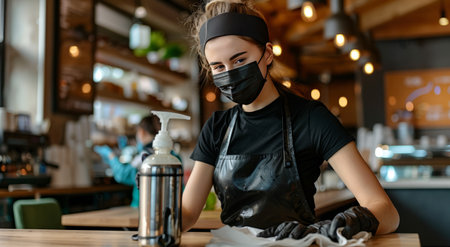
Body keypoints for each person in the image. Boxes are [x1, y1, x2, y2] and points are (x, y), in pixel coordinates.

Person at [182, 0, 399, 241]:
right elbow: (189, 212)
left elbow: (387, 212)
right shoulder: (217, 128)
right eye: (218, 67)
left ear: (267, 53)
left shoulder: (311, 119)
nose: (230, 73)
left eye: (240, 60)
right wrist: (157, 206)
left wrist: (347, 224)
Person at [95, 115, 181, 208]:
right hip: (172, 207)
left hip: (144, 208)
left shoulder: (145, 156)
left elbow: (123, 175)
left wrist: (110, 155)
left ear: (141, 131)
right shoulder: (175, 157)